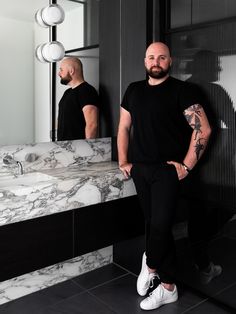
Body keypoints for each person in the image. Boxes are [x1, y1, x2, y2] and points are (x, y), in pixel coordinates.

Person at [117, 42, 212, 311]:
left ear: (170, 61)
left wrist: (187, 165)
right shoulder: (134, 90)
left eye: (161, 57)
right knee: (153, 223)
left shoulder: (182, 91)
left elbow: (203, 129)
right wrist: (124, 160)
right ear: (145, 61)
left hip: (168, 170)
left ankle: (151, 263)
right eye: (151, 57)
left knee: (160, 225)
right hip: (140, 169)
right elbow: (124, 126)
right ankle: (168, 287)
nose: (155, 61)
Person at [57, 57, 99, 141]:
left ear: (71, 71)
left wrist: (88, 148)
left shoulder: (87, 91)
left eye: (61, 70)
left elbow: (92, 124)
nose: (59, 73)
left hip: (79, 149)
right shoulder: (67, 93)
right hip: (64, 147)